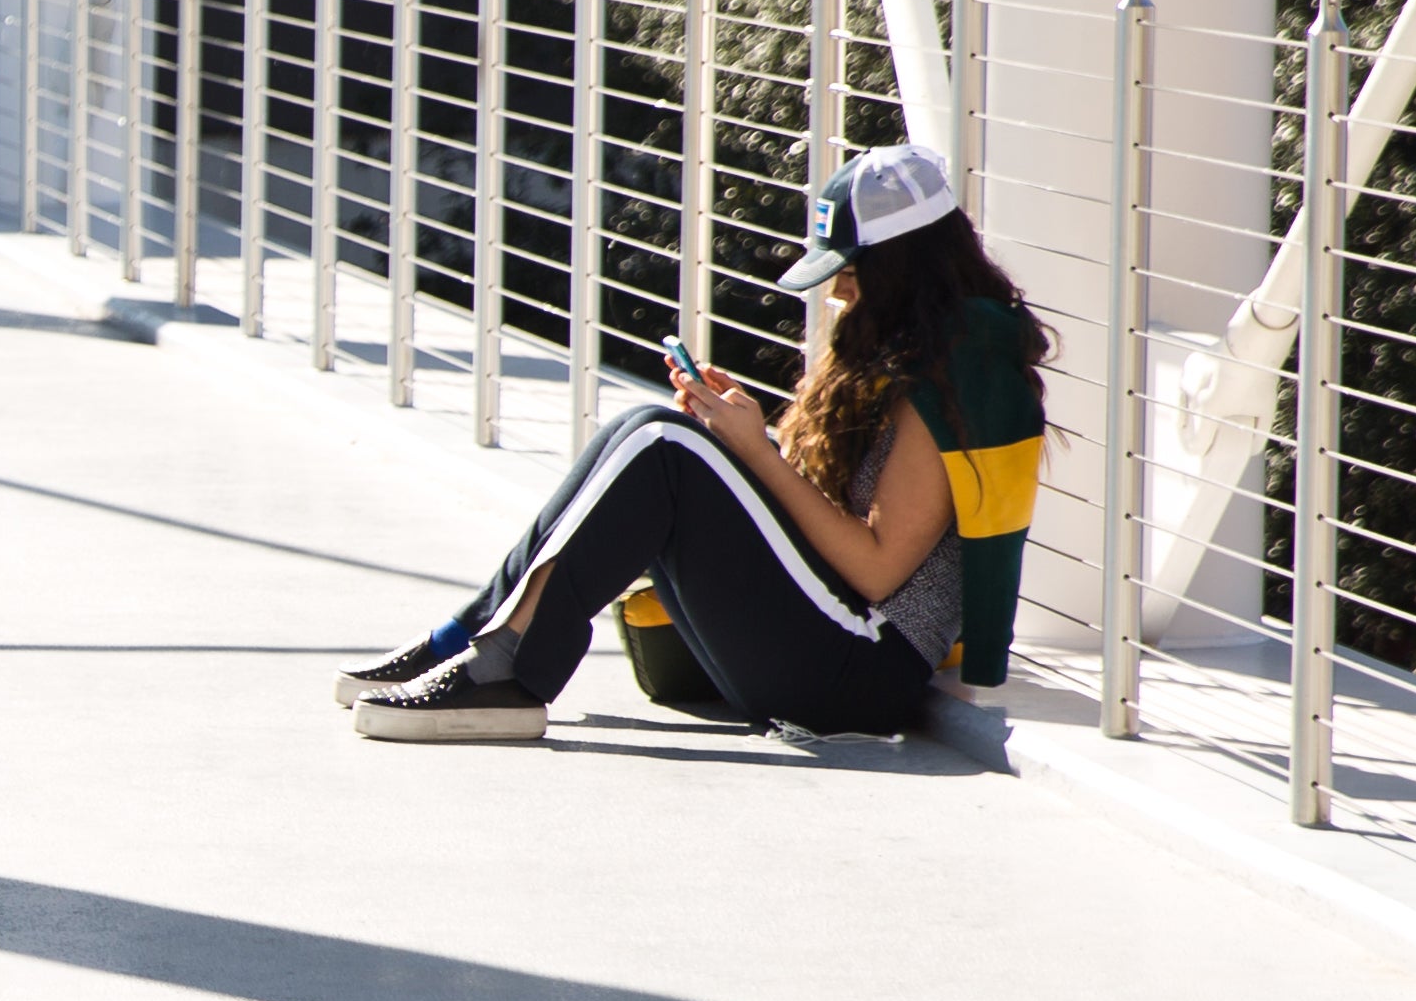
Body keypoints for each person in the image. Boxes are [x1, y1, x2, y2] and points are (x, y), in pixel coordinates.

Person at [339, 140, 1049, 744]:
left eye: (851, 275)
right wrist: (746, 435)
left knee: (664, 448)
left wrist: (755, 454)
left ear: (902, 273)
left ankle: (507, 675)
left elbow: (876, 570)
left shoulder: (955, 376)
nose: (837, 296)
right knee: (646, 428)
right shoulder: (906, 348)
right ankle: (471, 639)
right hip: (824, 632)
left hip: (855, 670)